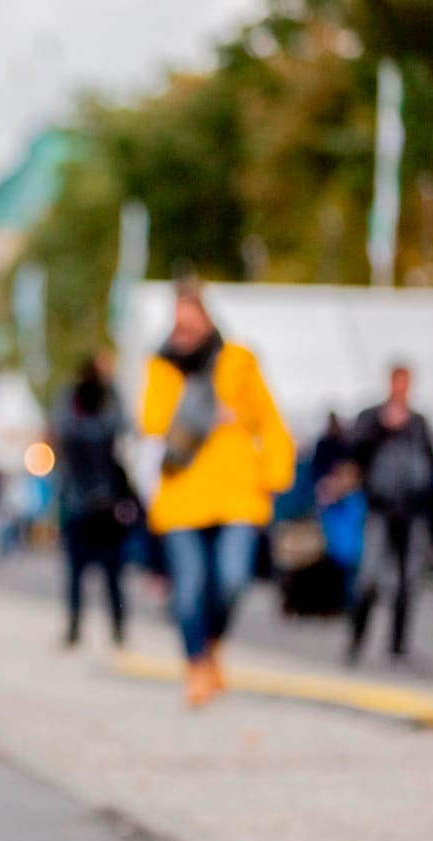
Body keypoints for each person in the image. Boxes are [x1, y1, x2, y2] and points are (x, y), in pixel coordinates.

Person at [139, 281, 294, 707]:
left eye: (190, 324)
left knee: (233, 579)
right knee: (188, 588)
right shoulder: (163, 367)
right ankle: (197, 667)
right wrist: (206, 413)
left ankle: (211, 645)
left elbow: (271, 421)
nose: (183, 334)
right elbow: (151, 422)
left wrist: (273, 475)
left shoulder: (239, 361)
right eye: (177, 327)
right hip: (183, 496)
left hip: (237, 493)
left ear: (207, 321)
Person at [346, 364, 433, 662]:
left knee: (408, 580)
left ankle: (397, 645)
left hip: (412, 511)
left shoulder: (419, 423)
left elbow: (432, 463)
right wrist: (382, 427)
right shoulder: (372, 417)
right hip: (380, 508)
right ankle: (356, 641)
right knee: (369, 576)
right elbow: (355, 454)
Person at [53, 355, 133, 648]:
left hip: (80, 506)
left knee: (77, 575)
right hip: (102, 505)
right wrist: (110, 386)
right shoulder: (104, 425)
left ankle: (76, 627)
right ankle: (117, 628)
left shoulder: (72, 424)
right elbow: (121, 422)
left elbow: (59, 423)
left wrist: (73, 388)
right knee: (111, 576)